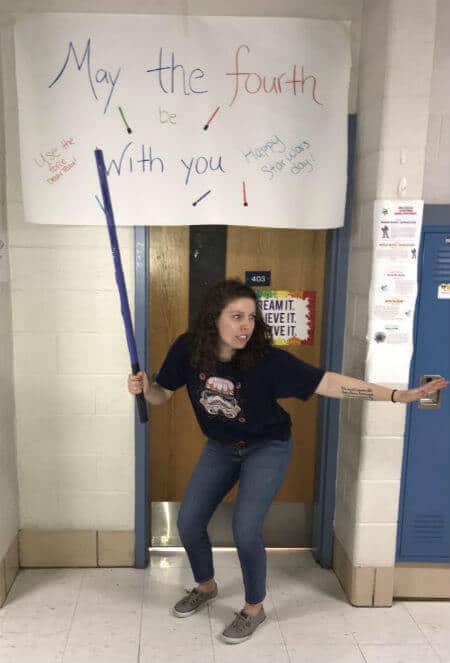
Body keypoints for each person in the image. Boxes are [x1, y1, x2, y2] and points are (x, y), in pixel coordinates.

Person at [128, 278, 448, 645]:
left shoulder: (267, 360)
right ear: (214, 318)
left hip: (267, 446)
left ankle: (254, 608)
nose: (245, 326)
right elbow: (162, 394)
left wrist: (396, 395)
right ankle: (206, 585)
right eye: (236, 317)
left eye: (251, 317)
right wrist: (145, 388)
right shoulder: (189, 349)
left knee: (245, 528)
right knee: (188, 521)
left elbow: (329, 383)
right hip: (220, 447)